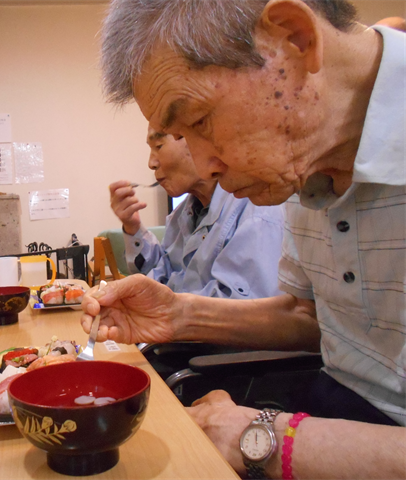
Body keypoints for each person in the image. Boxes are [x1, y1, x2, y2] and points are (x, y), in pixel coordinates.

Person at [81, 1, 405, 479]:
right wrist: (180, 314)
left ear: (294, 39)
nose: (204, 164)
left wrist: (269, 440)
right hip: (331, 406)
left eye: (200, 121)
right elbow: (307, 316)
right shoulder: (302, 154)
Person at [110, 126, 285, 297]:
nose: (151, 163)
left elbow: (244, 311)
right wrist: (133, 227)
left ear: (199, 141)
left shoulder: (258, 211)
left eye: (159, 146)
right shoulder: (180, 215)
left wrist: (169, 311)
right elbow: (161, 279)